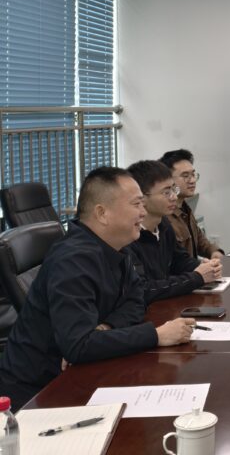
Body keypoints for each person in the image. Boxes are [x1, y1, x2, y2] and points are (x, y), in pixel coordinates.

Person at [0, 167, 196, 409]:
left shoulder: (116, 247)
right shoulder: (73, 260)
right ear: (102, 213)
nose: (143, 212)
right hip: (39, 393)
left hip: (82, 373)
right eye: (136, 204)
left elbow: (136, 299)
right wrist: (156, 335)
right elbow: (79, 346)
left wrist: (106, 327)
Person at [126, 160, 222, 305]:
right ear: (142, 198)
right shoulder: (128, 236)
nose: (174, 197)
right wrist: (197, 277)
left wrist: (204, 267)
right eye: (166, 192)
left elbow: (180, 259)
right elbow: (144, 289)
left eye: (173, 190)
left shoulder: (163, 224)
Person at [159, 149, 224, 260]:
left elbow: (200, 240)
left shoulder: (185, 208)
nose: (192, 180)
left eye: (193, 174)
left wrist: (214, 252)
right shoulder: (163, 217)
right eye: (185, 176)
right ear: (168, 180)